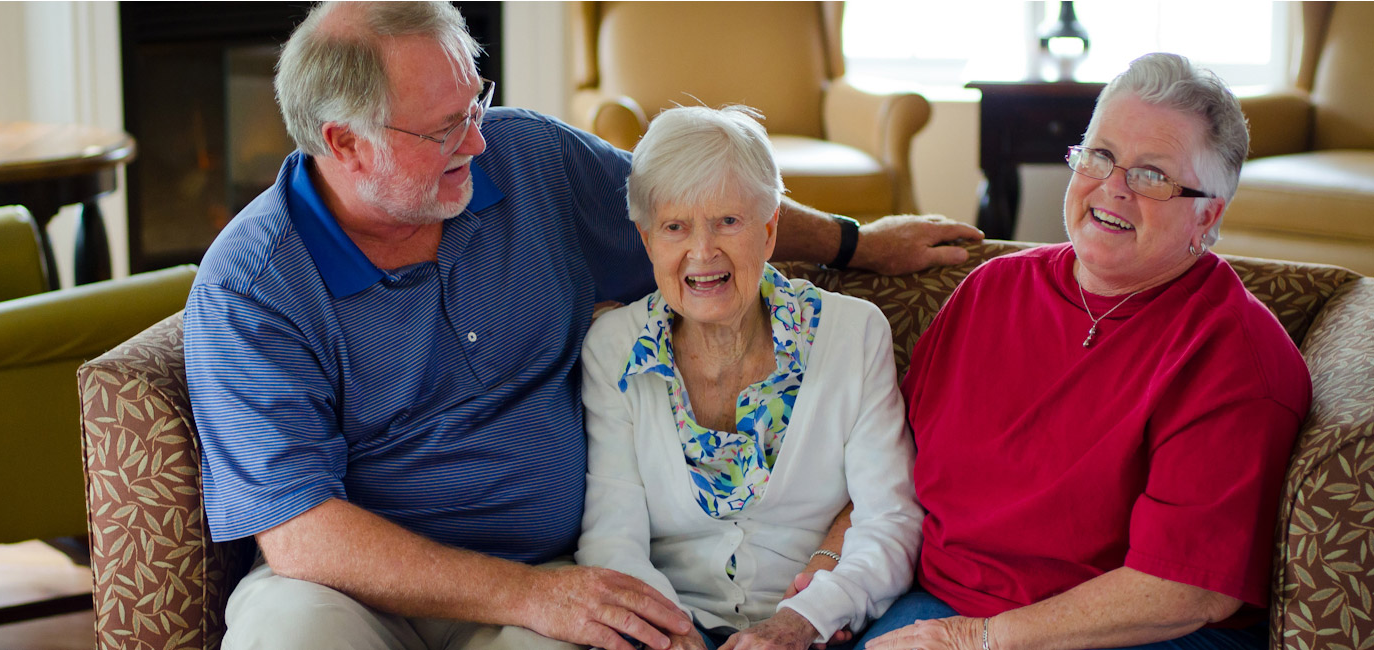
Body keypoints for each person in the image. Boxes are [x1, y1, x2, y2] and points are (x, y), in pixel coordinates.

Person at [181, 3, 980, 650]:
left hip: (551, 579)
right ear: (344, 144)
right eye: (443, 130)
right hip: (349, 595)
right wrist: (530, 594)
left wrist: (854, 241)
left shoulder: (527, 163)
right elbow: (300, 537)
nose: (478, 140)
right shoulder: (253, 287)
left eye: (476, 107)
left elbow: (692, 204)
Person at [858, 53, 1311, 650]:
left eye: (1153, 175)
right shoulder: (993, 289)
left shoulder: (1232, 355)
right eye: (1101, 155)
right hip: (936, 601)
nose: (1113, 188)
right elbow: (886, 461)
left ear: (1208, 214)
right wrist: (832, 569)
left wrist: (976, 639)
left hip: (1127, 633)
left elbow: (1185, 590)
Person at [575, 106, 923, 650]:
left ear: (769, 230)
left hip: (823, 625)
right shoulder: (612, 349)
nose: (702, 251)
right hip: (667, 624)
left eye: (727, 222)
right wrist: (672, 634)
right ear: (646, 241)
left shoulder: (852, 334)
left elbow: (890, 520)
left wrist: (802, 620)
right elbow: (611, 539)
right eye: (675, 227)